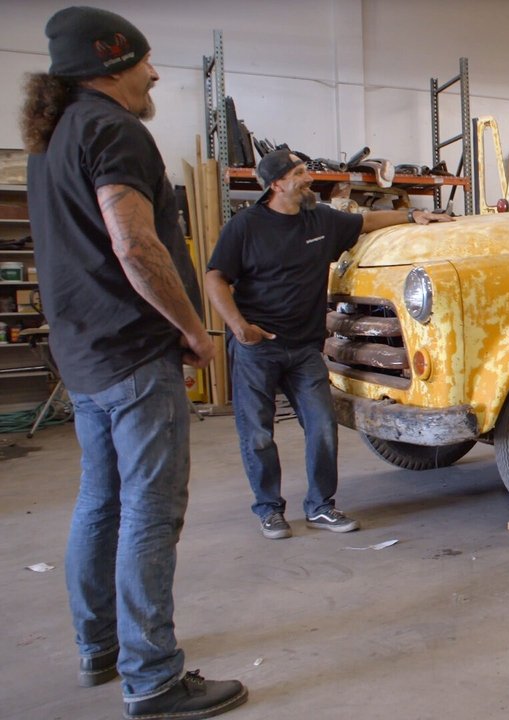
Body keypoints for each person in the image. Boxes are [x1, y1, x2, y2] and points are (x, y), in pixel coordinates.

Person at [21, 6, 247, 719]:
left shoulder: (53, 137)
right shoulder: (114, 129)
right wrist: (194, 329)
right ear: (112, 62)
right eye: (144, 60)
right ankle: (152, 677)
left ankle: (101, 649)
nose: (153, 73)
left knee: (101, 501)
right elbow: (135, 245)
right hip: (132, 352)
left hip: (84, 353)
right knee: (151, 511)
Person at [206, 150, 452, 540]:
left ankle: (320, 507)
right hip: (258, 349)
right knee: (257, 434)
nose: (309, 179)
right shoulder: (245, 227)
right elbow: (215, 278)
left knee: (322, 427)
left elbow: (366, 221)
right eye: (300, 173)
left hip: (305, 348)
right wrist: (239, 327)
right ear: (277, 184)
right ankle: (269, 509)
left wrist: (413, 215)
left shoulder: (319, 219)